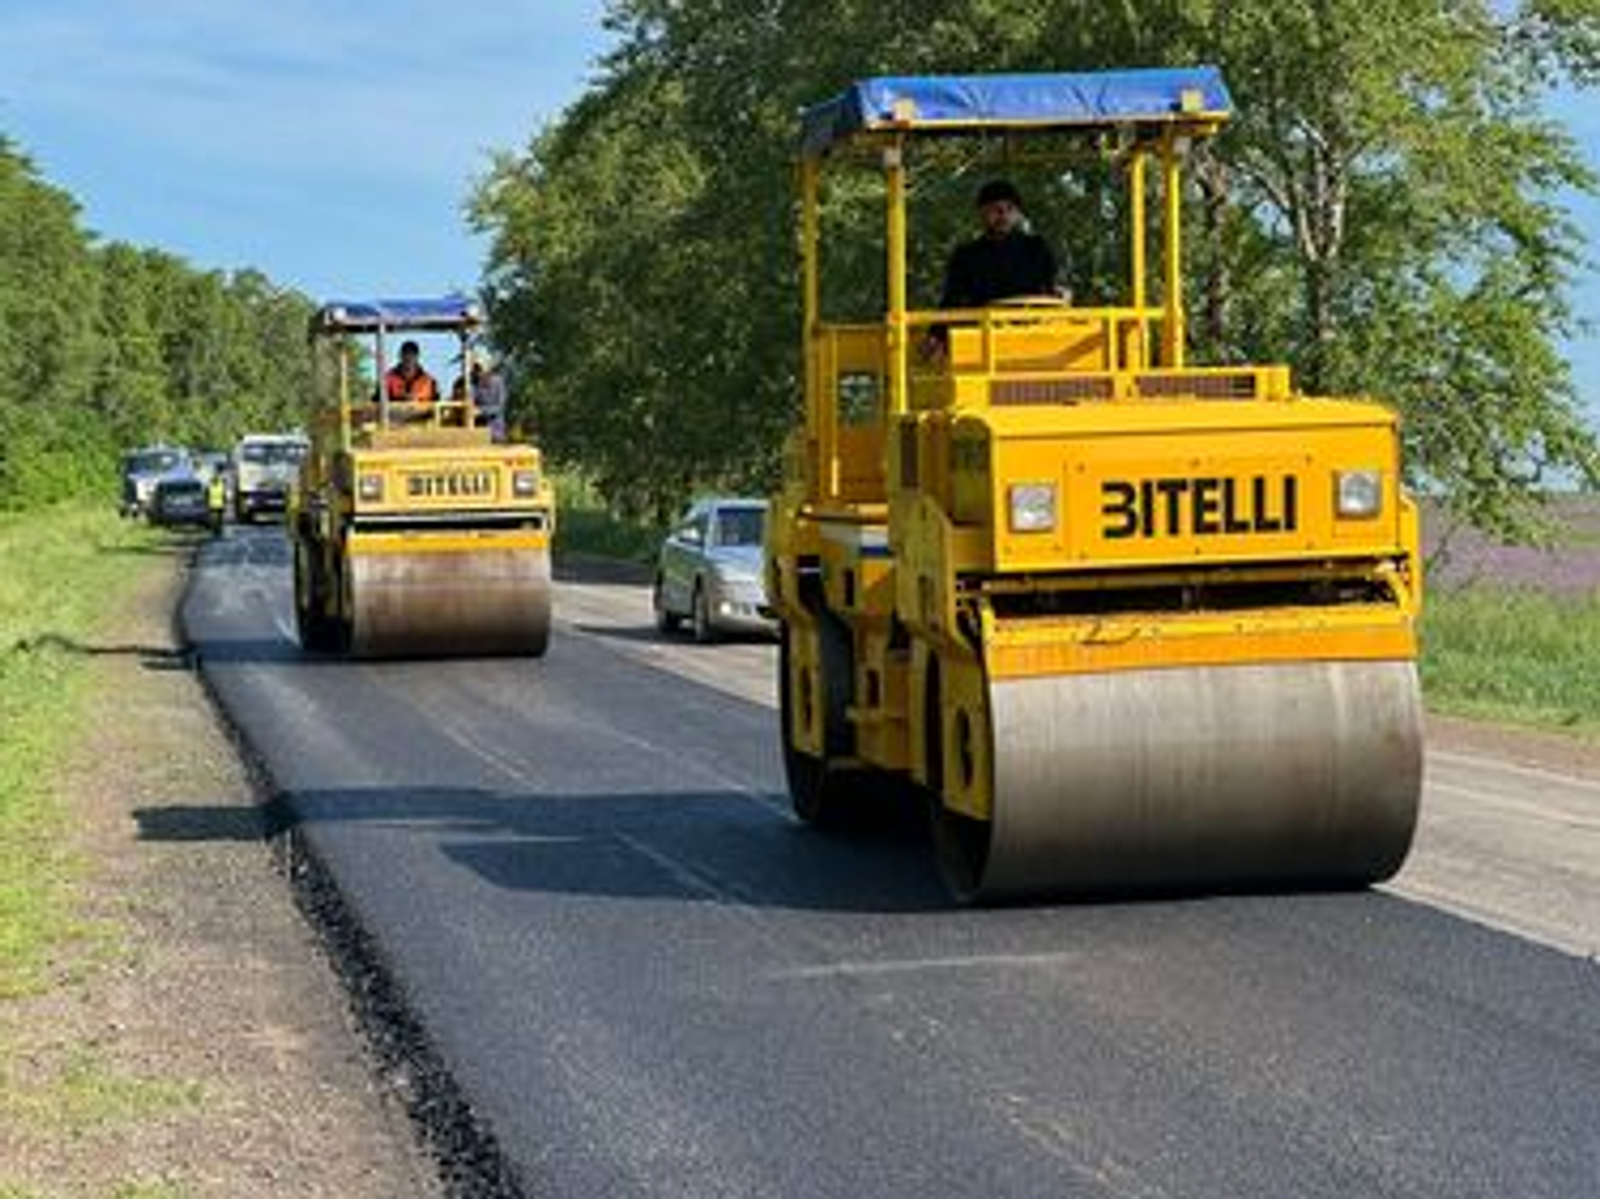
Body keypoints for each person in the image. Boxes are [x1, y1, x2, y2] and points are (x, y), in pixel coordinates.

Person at [938, 179, 1059, 309]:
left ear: (1018, 214)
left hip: (1032, 326)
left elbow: (1051, 292)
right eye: (995, 209)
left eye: (1010, 208)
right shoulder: (966, 256)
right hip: (982, 326)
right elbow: (952, 302)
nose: (1003, 214)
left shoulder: (1036, 248)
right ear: (981, 212)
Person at [384, 340, 439, 406]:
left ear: (417, 357)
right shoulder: (387, 379)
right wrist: (401, 399)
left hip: (422, 415)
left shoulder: (429, 381)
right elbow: (377, 403)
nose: (408, 358)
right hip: (393, 415)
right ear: (400, 356)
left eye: (412, 354)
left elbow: (436, 405)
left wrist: (416, 400)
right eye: (405, 354)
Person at [471, 357, 508, 442]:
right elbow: (471, 403)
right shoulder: (474, 385)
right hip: (479, 434)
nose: (478, 372)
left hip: (496, 433)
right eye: (476, 369)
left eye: (479, 369)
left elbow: (499, 407)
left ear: (487, 368)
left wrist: (480, 411)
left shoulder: (498, 382)